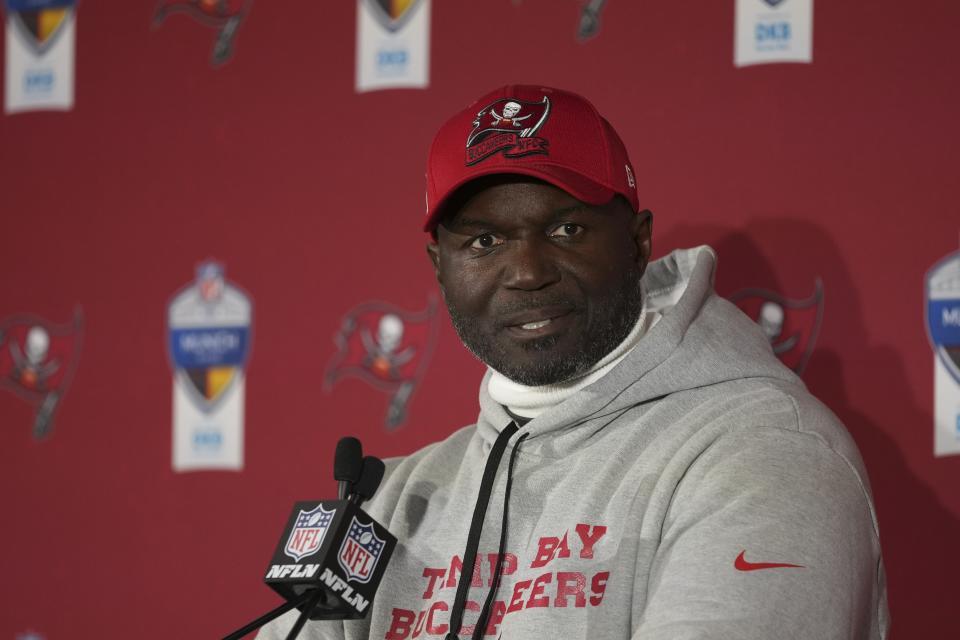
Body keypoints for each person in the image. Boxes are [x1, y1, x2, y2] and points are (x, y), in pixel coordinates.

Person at [259, 85, 889, 639]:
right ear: (440, 270)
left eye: (566, 230)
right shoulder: (391, 502)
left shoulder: (767, 455)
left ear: (638, 242)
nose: (528, 273)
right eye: (484, 241)